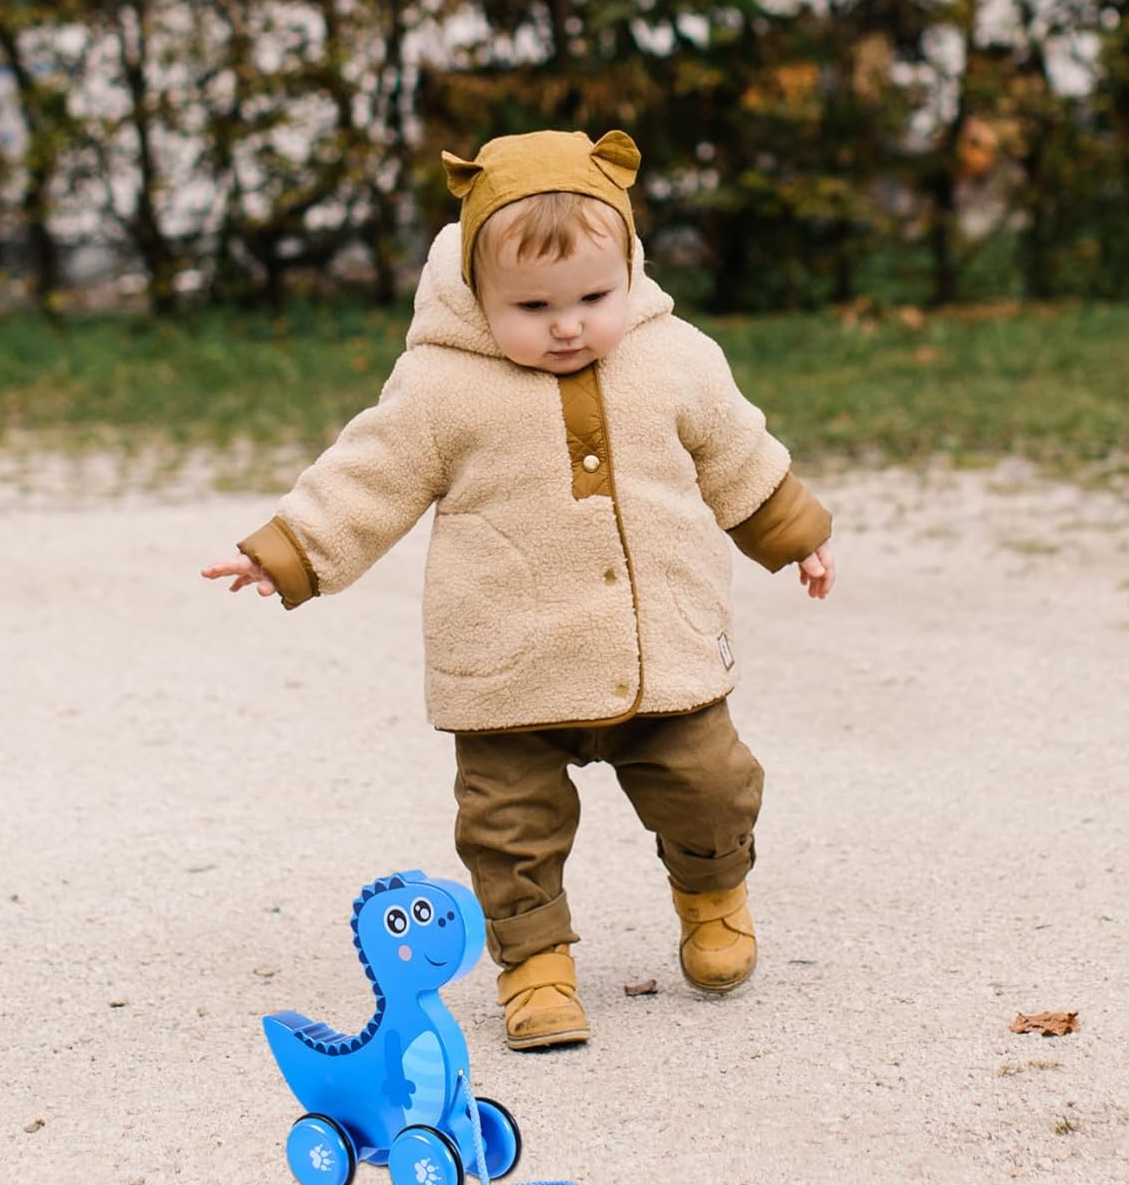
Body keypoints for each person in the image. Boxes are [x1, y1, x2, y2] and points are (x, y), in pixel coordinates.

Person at [203, 128, 835, 1051]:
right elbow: (368, 476)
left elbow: (737, 453)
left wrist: (797, 538)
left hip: (661, 649)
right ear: (475, 293)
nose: (568, 324)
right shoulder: (440, 386)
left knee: (712, 784)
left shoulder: (677, 358)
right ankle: (535, 966)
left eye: (593, 298)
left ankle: (713, 899)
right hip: (508, 667)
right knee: (508, 828)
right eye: (533, 306)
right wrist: (290, 550)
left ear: (630, 269)